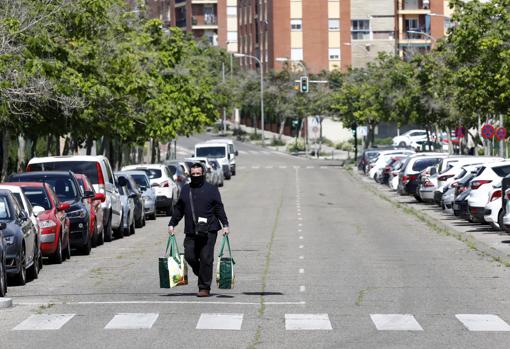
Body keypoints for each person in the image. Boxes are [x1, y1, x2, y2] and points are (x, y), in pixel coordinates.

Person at [168, 162, 229, 297]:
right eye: (193, 174)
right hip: (191, 230)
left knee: (206, 258)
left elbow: (219, 207)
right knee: (189, 255)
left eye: (198, 174)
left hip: (209, 230)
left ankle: (204, 287)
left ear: (203, 174)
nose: (195, 176)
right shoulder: (185, 189)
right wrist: (172, 223)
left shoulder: (212, 189)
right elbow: (179, 209)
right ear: (190, 175)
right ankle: (200, 271)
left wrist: (225, 224)